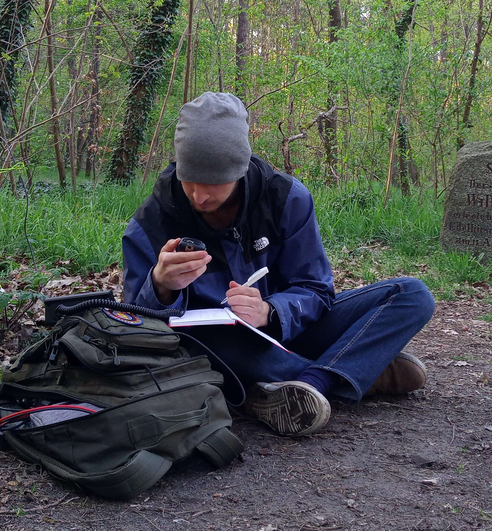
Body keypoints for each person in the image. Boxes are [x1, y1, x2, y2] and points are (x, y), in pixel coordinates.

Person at [122, 91, 434, 437]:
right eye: (190, 180)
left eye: (213, 183)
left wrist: (270, 311)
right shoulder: (150, 223)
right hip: (223, 348)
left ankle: (308, 382)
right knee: (219, 347)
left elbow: (316, 289)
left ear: (240, 168)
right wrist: (160, 285)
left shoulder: (286, 198)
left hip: (289, 331)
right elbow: (131, 326)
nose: (199, 195)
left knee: (412, 295)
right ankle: (355, 369)